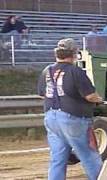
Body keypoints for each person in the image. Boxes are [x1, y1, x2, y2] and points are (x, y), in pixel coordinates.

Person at [37, 38, 103, 180]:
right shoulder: (75, 71)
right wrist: (101, 100)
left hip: (51, 118)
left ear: (57, 54)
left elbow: (43, 95)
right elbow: (90, 96)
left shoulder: (46, 71)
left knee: (57, 158)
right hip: (73, 118)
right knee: (89, 155)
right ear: (73, 54)